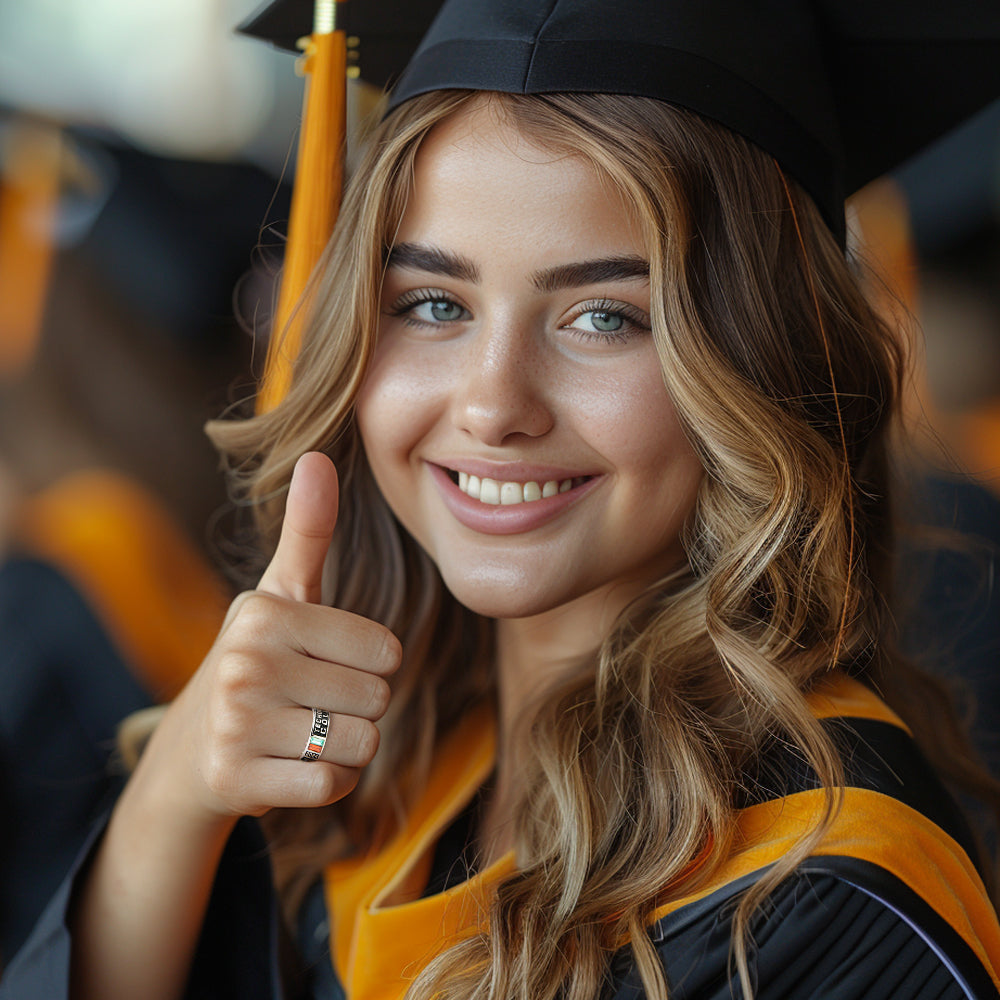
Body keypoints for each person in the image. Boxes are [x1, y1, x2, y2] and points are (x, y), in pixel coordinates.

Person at [4, 1, 1000, 998]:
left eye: (603, 316)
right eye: (434, 304)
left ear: (758, 365)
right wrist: (173, 794)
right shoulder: (391, 772)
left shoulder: (825, 903)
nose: (491, 404)